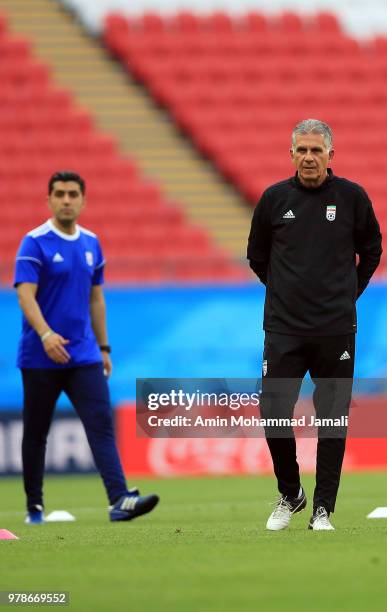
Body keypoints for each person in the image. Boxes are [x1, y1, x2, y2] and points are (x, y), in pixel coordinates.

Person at [247, 119, 382, 531]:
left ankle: (323, 509)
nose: (308, 157)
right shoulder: (273, 200)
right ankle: (291, 494)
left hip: (336, 329)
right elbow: (257, 257)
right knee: (273, 411)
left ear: (330, 156)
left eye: (316, 150)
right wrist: (287, 293)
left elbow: (373, 251)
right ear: (291, 155)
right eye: (301, 150)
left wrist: (345, 295)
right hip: (284, 329)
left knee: (332, 418)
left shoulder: (352, 198)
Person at [14, 170, 159, 524]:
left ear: (83, 200)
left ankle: (119, 500)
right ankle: (34, 507)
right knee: (36, 431)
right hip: (41, 355)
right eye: (60, 194)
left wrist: (104, 346)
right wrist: (47, 335)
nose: (66, 200)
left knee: (100, 425)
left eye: (72, 194)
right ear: (48, 199)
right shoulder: (34, 242)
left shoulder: (92, 242)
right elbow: (24, 294)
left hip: (84, 354)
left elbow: (96, 299)